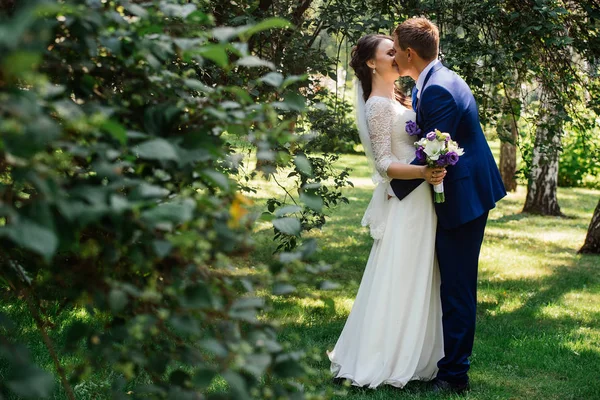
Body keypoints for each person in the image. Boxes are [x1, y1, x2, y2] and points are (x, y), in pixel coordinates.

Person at [390, 17, 507, 393]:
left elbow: (431, 153)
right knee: (453, 285)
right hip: (464, 188)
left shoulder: (438, 88)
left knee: (457, 288)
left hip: (463, 198)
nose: (393, 54)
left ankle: (455, 375)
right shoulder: (436, 79)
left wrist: (390, 188)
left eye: (395, 49)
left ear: (409, 53)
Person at [327, 34, 445, 389]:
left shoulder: (397, 98)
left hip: (419, 198)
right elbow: (384, 163)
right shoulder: (378, 105)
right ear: (370, 63)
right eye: (389, 52)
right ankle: (386, 357)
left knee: (420, 274)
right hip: (407, 200)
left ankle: (419, 355)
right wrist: (424, 171)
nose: (398, 56)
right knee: (401, 275)